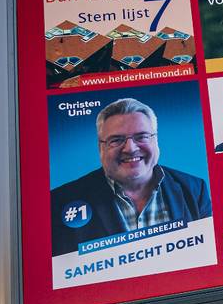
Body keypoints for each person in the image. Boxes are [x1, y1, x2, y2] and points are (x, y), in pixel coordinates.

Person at [50, 98, 210, 256]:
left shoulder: (194, 189)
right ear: (101, 147)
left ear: (155, 140)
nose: (130, 148)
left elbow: (207, 251)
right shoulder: (60, 201)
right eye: (116, 140)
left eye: (141, 137)